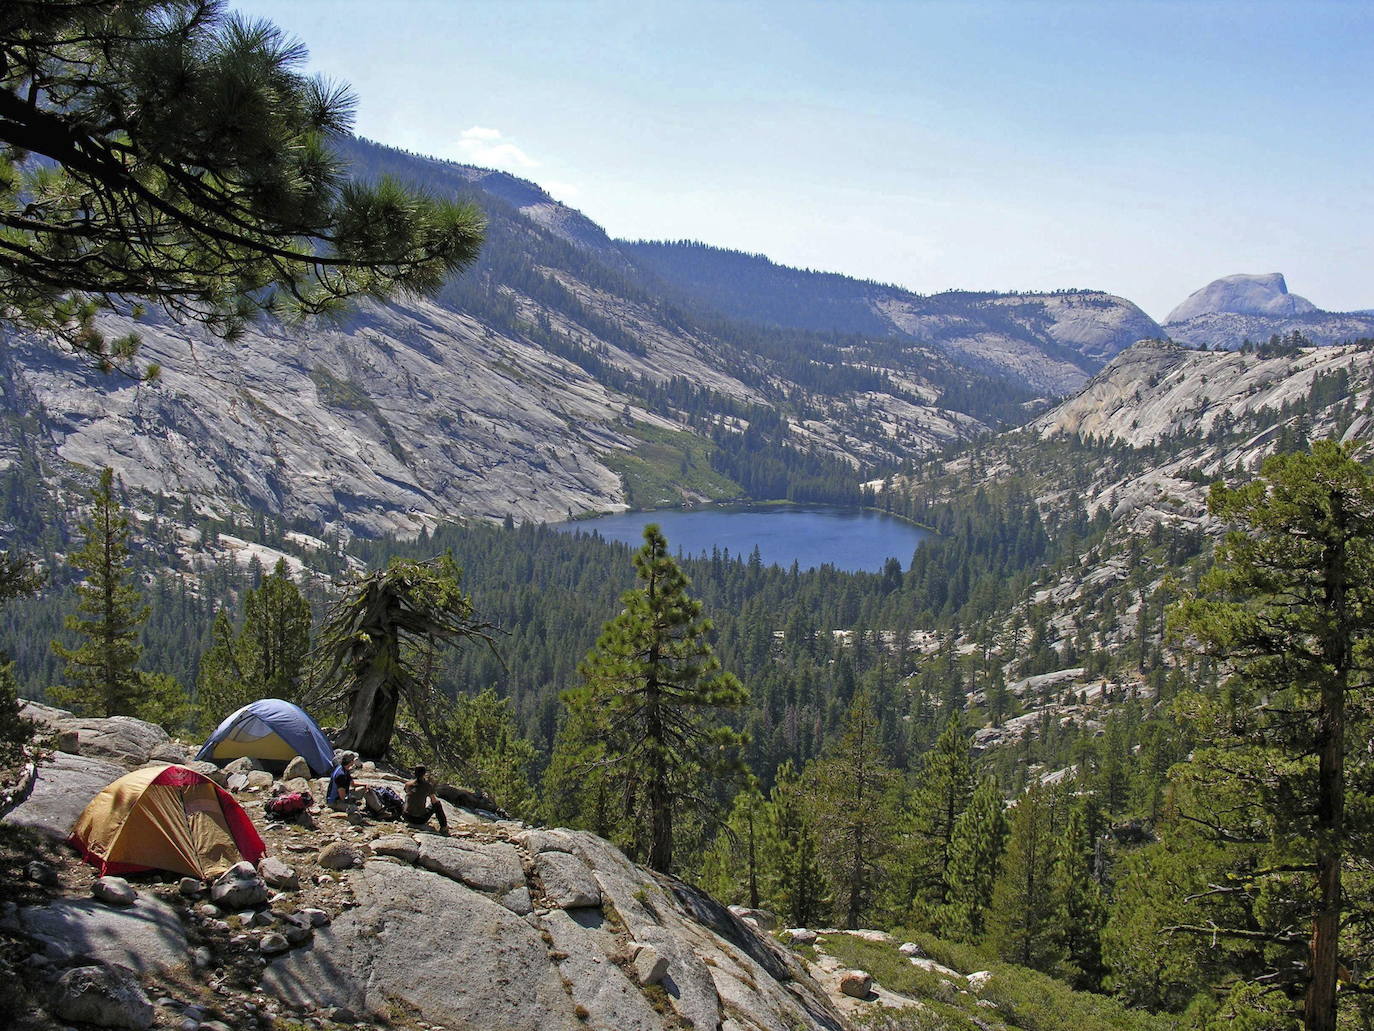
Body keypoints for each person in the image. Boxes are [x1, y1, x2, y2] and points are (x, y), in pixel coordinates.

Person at [403, 765, 449, 834]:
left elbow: (407, 792)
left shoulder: (408, 784)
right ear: (424, 774)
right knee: (437, 804)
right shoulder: (427, 786)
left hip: (407, 817)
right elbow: (434, 801)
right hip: (420, 819)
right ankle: (444, 827)